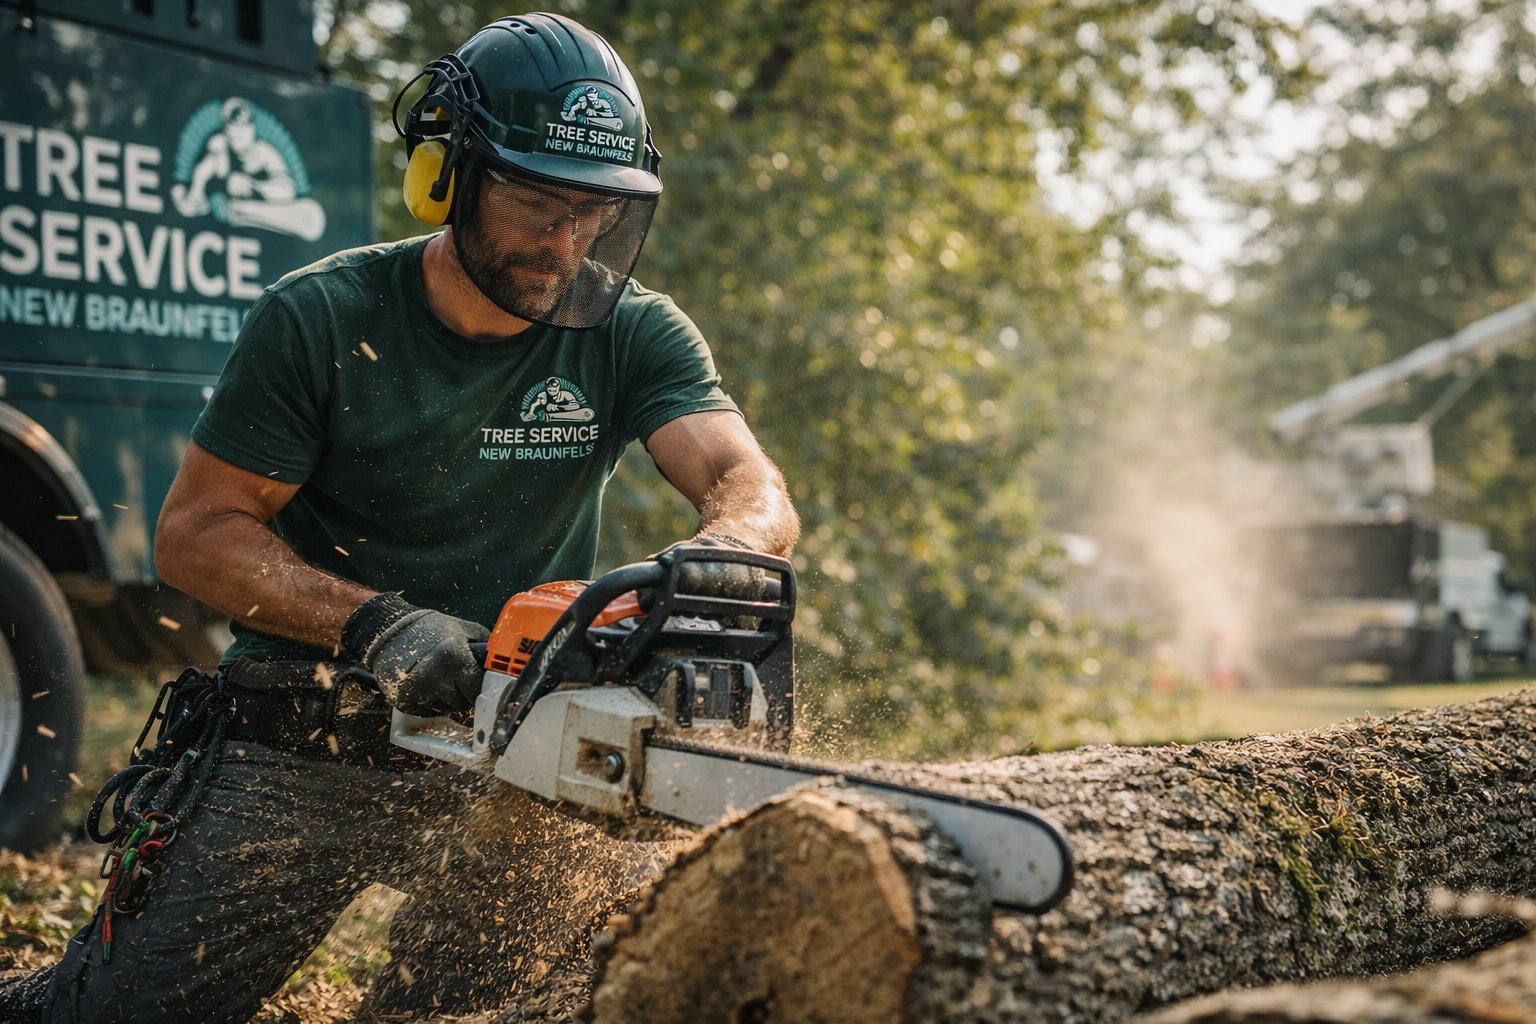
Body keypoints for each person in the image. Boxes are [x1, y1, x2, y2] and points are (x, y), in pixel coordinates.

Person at [0, 12, 798, 1023]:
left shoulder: (632, 331)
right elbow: (194, 534)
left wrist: (719, 553)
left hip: (523, 749)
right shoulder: (324, 316)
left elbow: (747, 480)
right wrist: (377, 624)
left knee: (468, 1008)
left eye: (593, 213)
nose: (563, 243)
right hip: (310, 726)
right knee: (121, 1010)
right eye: (535, 203)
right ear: (446, 173)